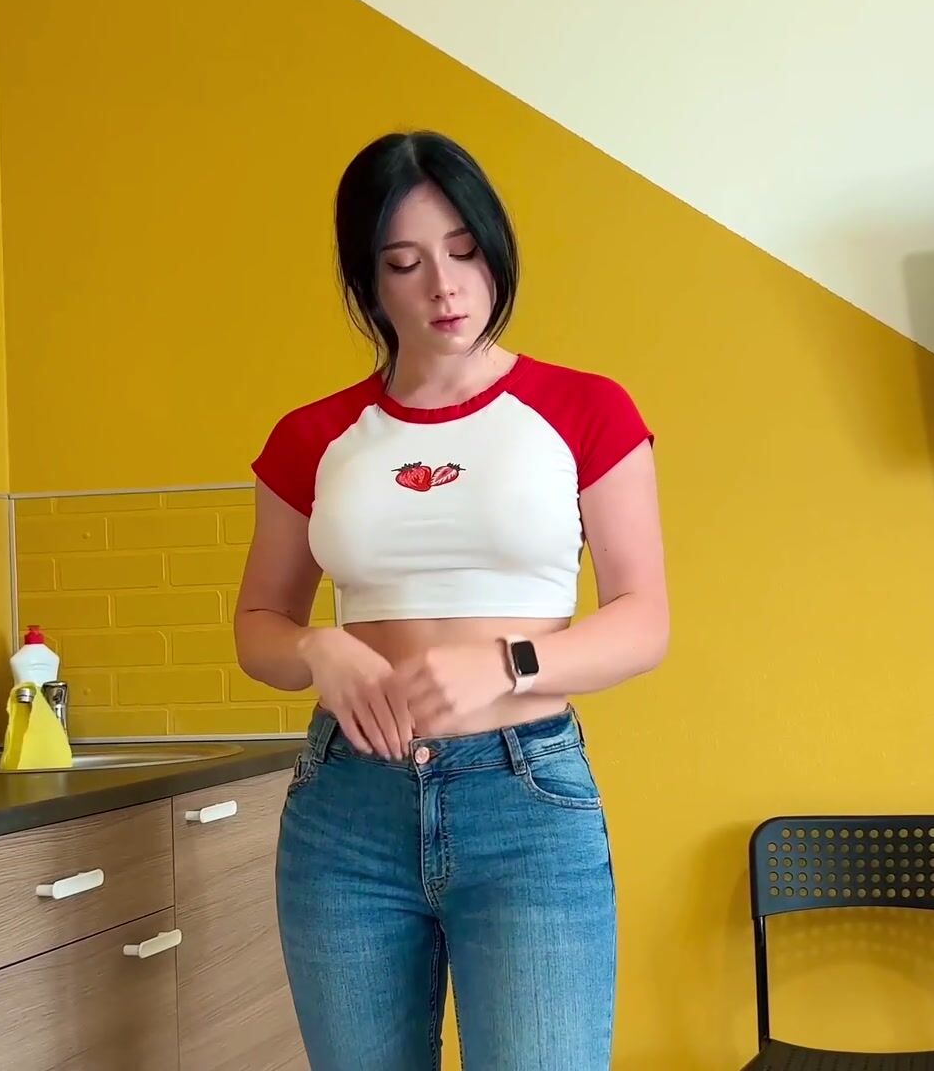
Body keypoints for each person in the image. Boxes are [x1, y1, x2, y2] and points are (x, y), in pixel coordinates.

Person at [235, 130, 670, 1071]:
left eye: (465, 251)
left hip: (525, 799)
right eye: (405, 263)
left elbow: (644, 620)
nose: (444, 286)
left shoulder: (585, 410)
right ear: (369, 281)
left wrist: (511, 663)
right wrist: (315, 648)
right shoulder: (314, 437)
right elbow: (257, 627)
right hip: (347, 808)